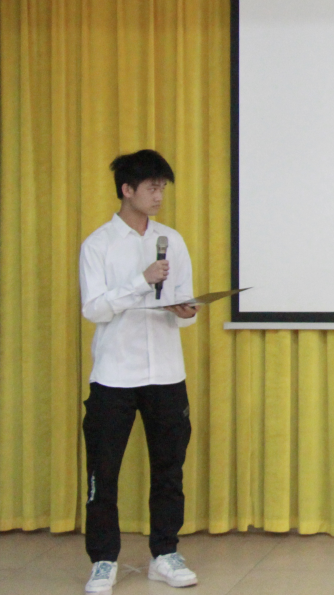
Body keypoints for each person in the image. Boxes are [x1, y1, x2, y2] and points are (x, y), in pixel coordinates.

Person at [79, 150, 200, 593]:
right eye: (151, 187)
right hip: (115, 374)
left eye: (162, 187)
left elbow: (183, 302)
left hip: (166, 372)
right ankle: (103, 560)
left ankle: (164, 553)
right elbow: (94, 309)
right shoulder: (98, 245)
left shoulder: (173, 240)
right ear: (127, 190)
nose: (159, 195)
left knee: (169, 468)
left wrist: (185, 310)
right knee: (104, 471)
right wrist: (140, 281)